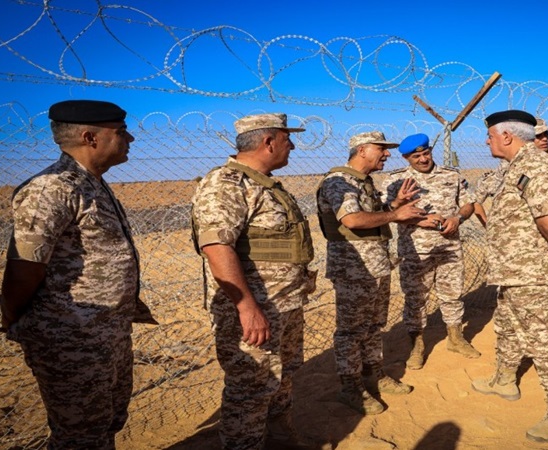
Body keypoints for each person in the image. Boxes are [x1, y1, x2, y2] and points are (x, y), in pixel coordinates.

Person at [0, 99, 156, 449]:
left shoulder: (91, 183)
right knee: (80, 436)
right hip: (70, 339)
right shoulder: (52, 188)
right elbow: (24, 268)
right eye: (121, 131)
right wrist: (14, 317)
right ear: (90, 137)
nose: (130, 138)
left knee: (105, 424)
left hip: (106, 334)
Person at [192, 113, 315, 449]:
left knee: (282, 376)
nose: (292, 146)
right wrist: (247, 308)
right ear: (268, 141)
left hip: (284, 305)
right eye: (287, 139)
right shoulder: (227, 183)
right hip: (255, 311)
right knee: (251, 389)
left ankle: (280, 438)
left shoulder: (265, 184)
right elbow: (217, 247)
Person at [470, 110, 548, 443]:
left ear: (507, 136)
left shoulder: (536, 166)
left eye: (490, 136)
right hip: (514, 272)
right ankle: (504, 380)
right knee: (507, 328)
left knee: (543, 343)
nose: (487, 142)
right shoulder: (516, 167)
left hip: (533, 274)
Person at [316, 131, 427, 415]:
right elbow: (352, 220)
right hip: (354, 269)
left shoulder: (362, 182)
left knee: (374, 325)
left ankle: (374, 373)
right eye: (381, 149)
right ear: (363, 150)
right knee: (352, 331)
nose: (387, 154)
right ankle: (350, 387)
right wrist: (396, 215)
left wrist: (394, 205)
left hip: (376, 265)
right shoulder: (338, 181)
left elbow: (372, 216)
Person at [382, 133, 480, 370]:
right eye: (416, 157)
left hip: (449, 247)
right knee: (415, 298)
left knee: (452, 294)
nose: (423, 159)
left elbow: (468, 203)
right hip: (415, 251)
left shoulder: (451, 175)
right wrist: (417, 221)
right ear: (406, 158)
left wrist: (457, 219)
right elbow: (386, 212)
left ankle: (455, 338)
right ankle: (417, 345)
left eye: (426, 154)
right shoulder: (395, 181)